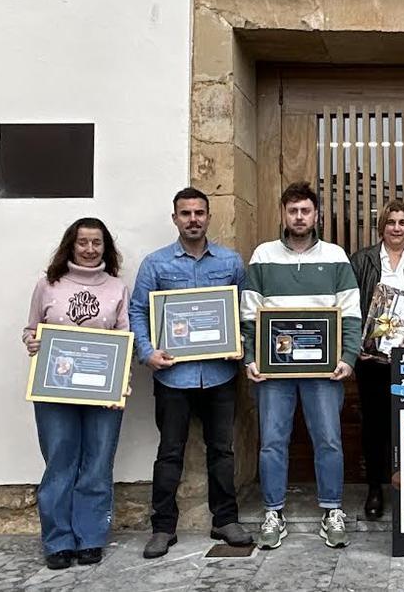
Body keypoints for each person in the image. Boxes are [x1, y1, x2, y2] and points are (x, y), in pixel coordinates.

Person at [129, 187, 253, 559]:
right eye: (186, 213)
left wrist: (241, 343)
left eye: (199, 213)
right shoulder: (155, 264)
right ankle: (163, 528)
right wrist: (147, 353)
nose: (193, 219)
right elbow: (138, 311)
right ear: (175, 218)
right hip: (173, 376)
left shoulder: (230, 262)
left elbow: (245, 310)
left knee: (222, 451)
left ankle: (225, 520)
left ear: (209, 217)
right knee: (170, 452)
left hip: (220, 374)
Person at [242, 180, 362, 550]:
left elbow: (351, 314)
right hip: (273, 371)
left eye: (305, 210)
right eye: (292, 210)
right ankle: (272, 513)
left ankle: (332, 510)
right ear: (283, 214)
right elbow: (249, 314)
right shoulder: (263, 255)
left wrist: (348, 357)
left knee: (329, 439)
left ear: (316, 215)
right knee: (272, 441)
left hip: (324, 371)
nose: (298, 217)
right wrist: (250, 358)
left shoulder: (336, 256)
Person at [22, 217, 130, 570]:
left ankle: (91, 537)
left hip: (104, 392)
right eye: (83, 242)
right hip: (54, 390)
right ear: (71, 245)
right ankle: (58, 541)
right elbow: (31, 329)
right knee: (60, 462)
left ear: (106, 247)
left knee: (98, 463)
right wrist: (32, 341)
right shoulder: (48, 284)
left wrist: (122, 380)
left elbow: (124, 339)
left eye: (97, 242)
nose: (89, 249)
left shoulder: (117, 288)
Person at [348, 200, 404, 520]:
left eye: (402, 223)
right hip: (371, 358)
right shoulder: (362, 260)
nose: (396, 228)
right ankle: (375, 488)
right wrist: (354, 345)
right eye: (391, 222)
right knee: (374, 426)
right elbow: (350, 306)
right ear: (382, 226)